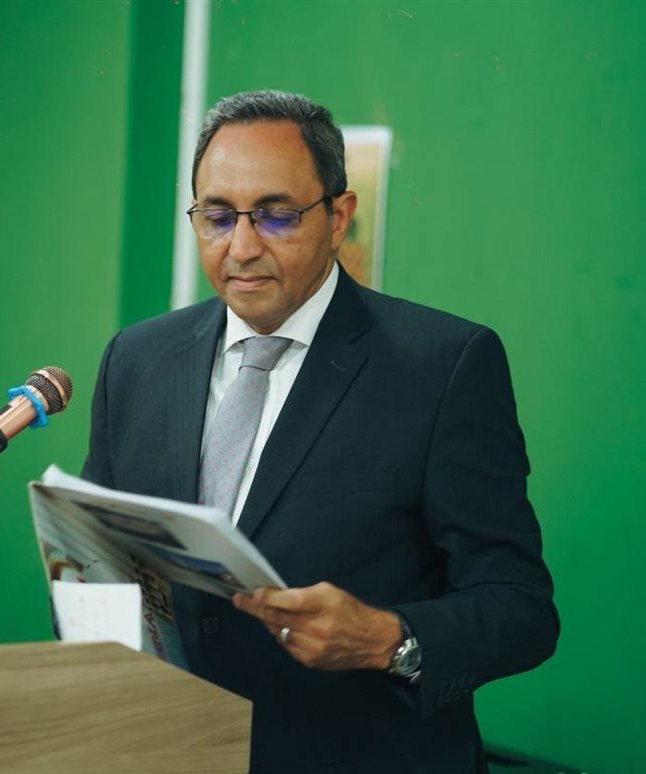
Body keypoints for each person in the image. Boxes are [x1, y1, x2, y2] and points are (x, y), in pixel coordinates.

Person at [81, 91, 558, 773]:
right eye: (217, 216)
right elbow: (102, 558)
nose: (242, 247)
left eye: (276, 215)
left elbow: (521, 607)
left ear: (338, 217)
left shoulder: (442, 365)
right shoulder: (137, 360)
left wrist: (389, 639)